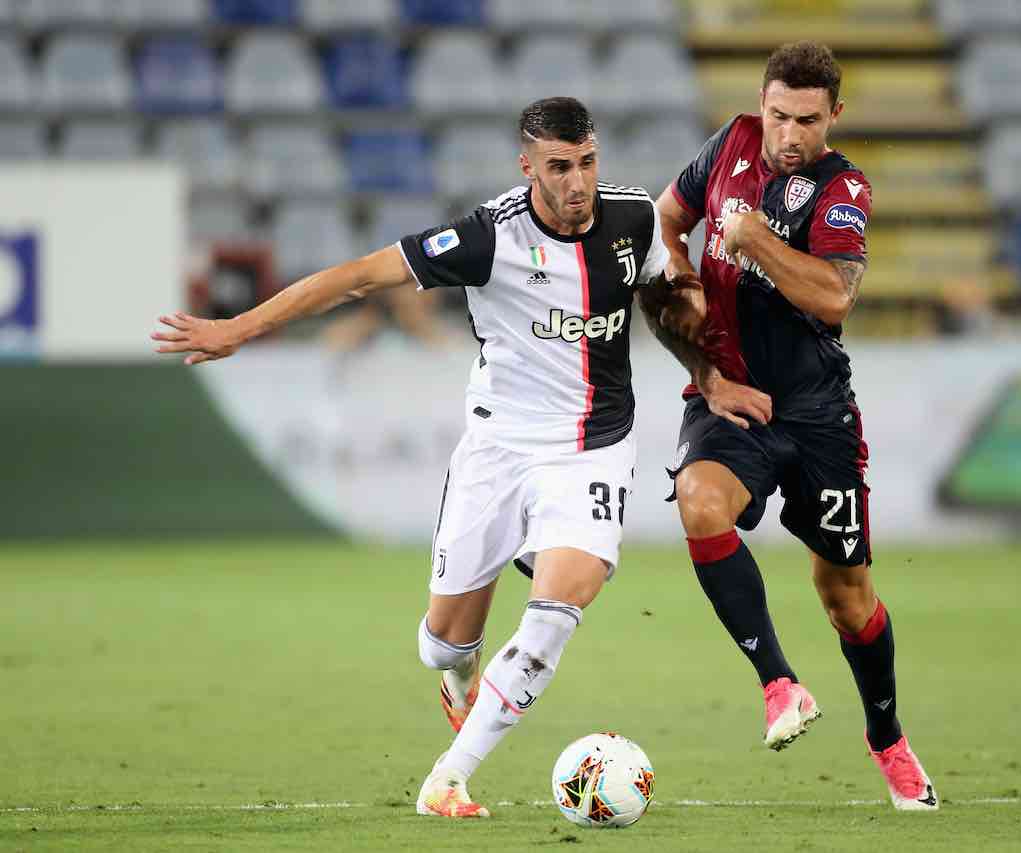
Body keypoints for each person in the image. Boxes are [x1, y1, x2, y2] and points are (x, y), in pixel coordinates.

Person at [152, 97, 678, 818]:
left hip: (594, 449)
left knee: (557, 609)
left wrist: (715, 370)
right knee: (440, 643)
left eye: (587, 162)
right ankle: (459, 663)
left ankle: (449, 777)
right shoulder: (487, 237)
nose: (578, 181)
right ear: (528, 166)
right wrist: (241, 327)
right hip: (498, 449)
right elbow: (360, 277)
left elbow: (670, 292)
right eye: (559, 166)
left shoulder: (635, 219)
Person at [641, 42, 938, 810]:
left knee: (847, 597)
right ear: (760, 104)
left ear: (833, 115)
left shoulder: (843, 190)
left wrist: (755, 243)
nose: (787, 134)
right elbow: (668, 215)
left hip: (815, 414)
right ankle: (778, 683)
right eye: (779, 115)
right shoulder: (729, 143)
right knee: (699, 500)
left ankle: (889, 740)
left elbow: (835, 298)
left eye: (806, 120)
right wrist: (679, 273)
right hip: (728, 395)